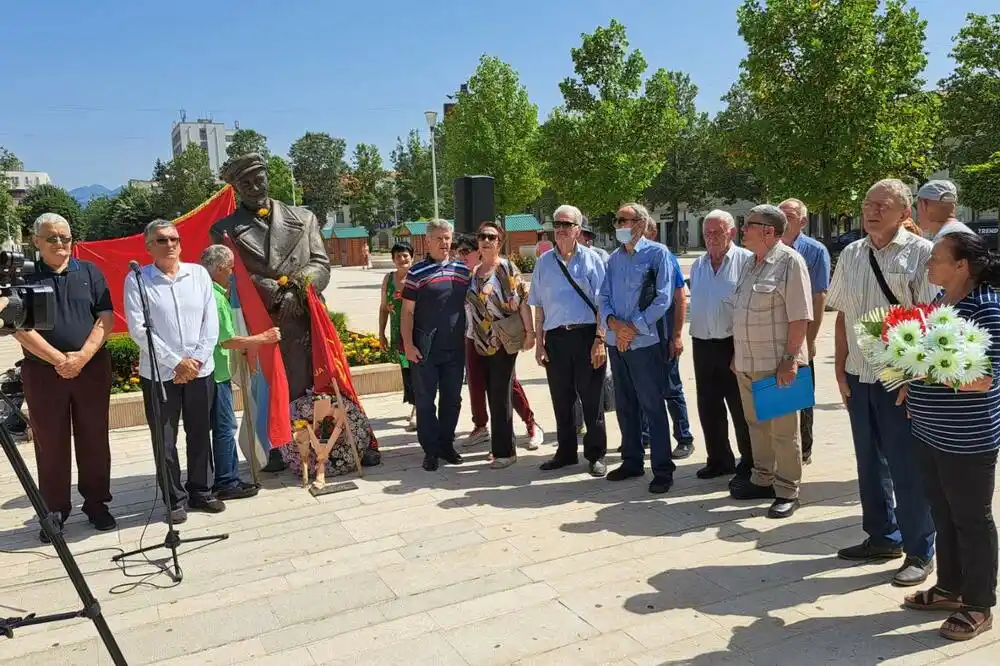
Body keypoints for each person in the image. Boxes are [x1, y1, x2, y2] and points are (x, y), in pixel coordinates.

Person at [827, 178, 937, 586]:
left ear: (904, 214)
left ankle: (920, 551)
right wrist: (839, 370)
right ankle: (881, 536)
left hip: (901, 377)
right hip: (860, 374)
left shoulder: (921, 254)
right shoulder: (852, 253)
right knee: (869, 463)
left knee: (907, 467)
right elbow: (842, 315)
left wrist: (917, 379)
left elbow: (931, 319)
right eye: (867, 203)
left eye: (882, 205)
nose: (871, 211)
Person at [902, 232, 1000, 641]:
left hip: (965, 437)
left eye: (936, 259)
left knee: (972, 519)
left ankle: (978, 604)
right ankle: (950, 587)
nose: (929, 264)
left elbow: (982, 379)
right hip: (928, 429)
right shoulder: (940, 303)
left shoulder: (986, 309)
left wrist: (928, 370)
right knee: (942, 512)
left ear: (962, 265)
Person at [210, 153, 335, 473]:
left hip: (303, 317)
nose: (254, 187)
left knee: (311, 381)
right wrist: (270, 289)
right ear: (236, 188)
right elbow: (230, 272)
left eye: (259, 178)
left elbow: (320, 262)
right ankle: (277, 446)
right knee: (268, 386)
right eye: (245, 183)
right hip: (262, 320)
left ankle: (323, 444)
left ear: (269, 177)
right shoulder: (224, 229)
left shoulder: (304, 217)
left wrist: (296, 288)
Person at [16, 213, 116, 543]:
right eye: (53, 238)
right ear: (37, 242)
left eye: (66, 237)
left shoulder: (90, 272)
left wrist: (83, 356)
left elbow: (104, 317)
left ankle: (97, 503)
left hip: (91, 369)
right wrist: (60, 360)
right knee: (51, 443)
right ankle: (55, 510)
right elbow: (20, 329)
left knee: (94, 438)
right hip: (44, 374)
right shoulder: (24, 278)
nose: (61, 243)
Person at [125, 220, 221, 523]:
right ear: (149, 246)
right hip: (160, 375)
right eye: (162, 240)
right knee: (165, 440)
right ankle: (173, 499)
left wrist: (196, 362)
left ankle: (201, 491)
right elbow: (139, 329)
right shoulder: (138, 279)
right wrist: (174, 362)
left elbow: (211, 321)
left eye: (174, 239)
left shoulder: (200, 274)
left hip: (200, 371)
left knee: (199, 433)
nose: (170, 245)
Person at [729, 204, 812, 520]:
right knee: (757, 425)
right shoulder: (751, 263)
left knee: (783, 431)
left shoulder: (790, 261)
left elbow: (800, 316)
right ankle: (762, 479)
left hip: (778, 364)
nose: (743, 229)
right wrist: (737, 356)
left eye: (747, 224)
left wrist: (790, 360)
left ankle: (788, 490)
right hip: (748, 362)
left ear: (768, 231)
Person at [600, 203, 675, 493]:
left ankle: (662, 469)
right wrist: (614, 325)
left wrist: (633, 327)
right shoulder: (613, 259)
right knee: (626, 405)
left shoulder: (658, 254)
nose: (618, 224)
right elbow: (603, 295)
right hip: (617, 341)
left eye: (624, 220)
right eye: (616, 219)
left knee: (652, 407)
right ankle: (632, 461)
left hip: (644, 343)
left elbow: (663, 298)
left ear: (641, 224)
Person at [529, 205, 609, 477]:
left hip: (587, 335)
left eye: (566, 224)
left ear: (578, 228)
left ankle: (596, 455)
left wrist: (600, 339)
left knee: (591, 400)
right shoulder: (544, 262)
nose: (560, 229)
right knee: (561, 399)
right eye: (557, 224)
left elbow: (603, 304)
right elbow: (538, 306)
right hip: (556, 338)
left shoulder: (592, 260)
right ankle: (565, 453)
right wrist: (539, 343)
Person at [200, 244, 282, 500]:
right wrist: (262, 339)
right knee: (225, 427)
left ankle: (221, 477)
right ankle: (227, 481)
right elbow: (227, 340)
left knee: (216, 427)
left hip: (211, 371)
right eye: (232, 267)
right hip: (215, 372)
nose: (234, 273)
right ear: (222, 267)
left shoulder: (207, 292)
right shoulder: (214, 297)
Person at [455, 234, 543, 452]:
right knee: (476, 383)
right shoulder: (469, 273)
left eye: (466, 251)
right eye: (459, 252)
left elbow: (521, 300)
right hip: (474, 337)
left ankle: (530, 424)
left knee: (504, 387)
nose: (461, 255)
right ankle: (482, 427)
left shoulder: (504, 268)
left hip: (501, 337)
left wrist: (530, 333)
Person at [687, 211, 755, 484]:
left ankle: (750, 462)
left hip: (733, 344)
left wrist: (740, 351)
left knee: (740, 408)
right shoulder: (699, 265)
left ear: (732, 232)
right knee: (708, 406)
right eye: (707, 233)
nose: (712, 238)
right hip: (702, 343)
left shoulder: (746, 262)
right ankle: (718, 459)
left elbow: (749, 310)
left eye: (718, 232)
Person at [401, 219, 472, 471]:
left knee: (452, 399)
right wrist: (408, 345)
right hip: (425, 348)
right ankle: (430, 450)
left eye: (448, 237)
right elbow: (407, 312)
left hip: (455, 349)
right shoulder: (416, 272)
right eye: (439, 238)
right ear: (428, 241)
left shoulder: (463, 271)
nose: (445, 243)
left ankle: (446, 445)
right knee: (425, 400)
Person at [779, 198, 831, 465]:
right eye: (780, 214)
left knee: (802, 392)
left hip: (800, 331)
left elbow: (819, 295)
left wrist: (810, 339)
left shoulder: (814, 251)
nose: (783, 219)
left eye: (789, 215)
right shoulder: (768, 247)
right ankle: (779, 447)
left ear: (802, 221)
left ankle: (805, 448)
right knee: (776, 391)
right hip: (774, 333)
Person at [642, 218, 695, 459]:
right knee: (641, 387)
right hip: (639, 338)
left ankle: (684, 437)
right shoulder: (628, 258)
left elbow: (680, 298)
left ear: (652, 233)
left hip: (663, 336)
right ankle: (645, 435)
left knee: (670, 386)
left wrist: (676, 336)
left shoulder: (665, 258)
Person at [379, 243, 417, 431]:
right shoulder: (388, 279)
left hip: (416, 331)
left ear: (412, 256)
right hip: (397, 333)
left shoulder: (417, 278)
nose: (403, 260)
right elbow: (383, 308)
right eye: (398, 257)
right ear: (393, 259)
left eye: (405, 256)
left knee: (417, 369)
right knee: (406, 370)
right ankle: (414, 403)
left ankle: (418, 410)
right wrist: (381, 333)